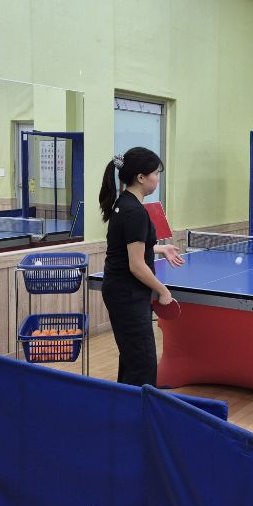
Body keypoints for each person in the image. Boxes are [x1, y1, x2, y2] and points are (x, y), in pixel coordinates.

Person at [98, 147, 184, 386]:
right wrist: (163, 290)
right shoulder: (135, 211)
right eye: (155, 173)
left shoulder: (123, 203)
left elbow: (127, 248)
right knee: (143, 363)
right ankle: (138, 408)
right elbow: (136, 266)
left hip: (120, 291)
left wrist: (159, 249)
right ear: (141, 177)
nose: (157, 178)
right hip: (128, 294)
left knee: (132, 357)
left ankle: (125, 406)